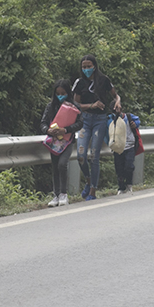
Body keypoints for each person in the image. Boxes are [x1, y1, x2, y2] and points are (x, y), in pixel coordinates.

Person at [72, 54, 121, 200]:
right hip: (85, 121)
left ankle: (93, 190)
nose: (86, 69)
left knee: (94, 156)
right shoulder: (79, 83)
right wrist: (91, 105)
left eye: (89, 66)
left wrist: (118, 102)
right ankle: (88, 180)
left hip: (100, 120)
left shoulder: (104, 80)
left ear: (94, 66)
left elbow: (116, 96)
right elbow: (75, 104)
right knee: (81, 155)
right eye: (84, 67)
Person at [40, 79, 83, 207]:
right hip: (54, 142)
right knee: (55, 167)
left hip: (67, 141)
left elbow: (80, 123)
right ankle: (56, 194)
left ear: (67, 93)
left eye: (63, 93)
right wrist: (47, 130)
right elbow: (42, 123)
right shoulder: (51, 106)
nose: (60, 96)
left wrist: (66, 130)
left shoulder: (74, 106)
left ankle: (64, 194)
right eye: (58, 93)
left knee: (62, 164)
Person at [107, 101, 141, 194]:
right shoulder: (110, 120)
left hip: (130, 145)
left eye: (119, 106)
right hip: (118, 147)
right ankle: (121, 187)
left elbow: (137, 120)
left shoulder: (128, 116)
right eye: (116, 107)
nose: (118, 108)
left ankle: (129, 184)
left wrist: (135, 124)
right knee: (119, 168)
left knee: (129, 166)